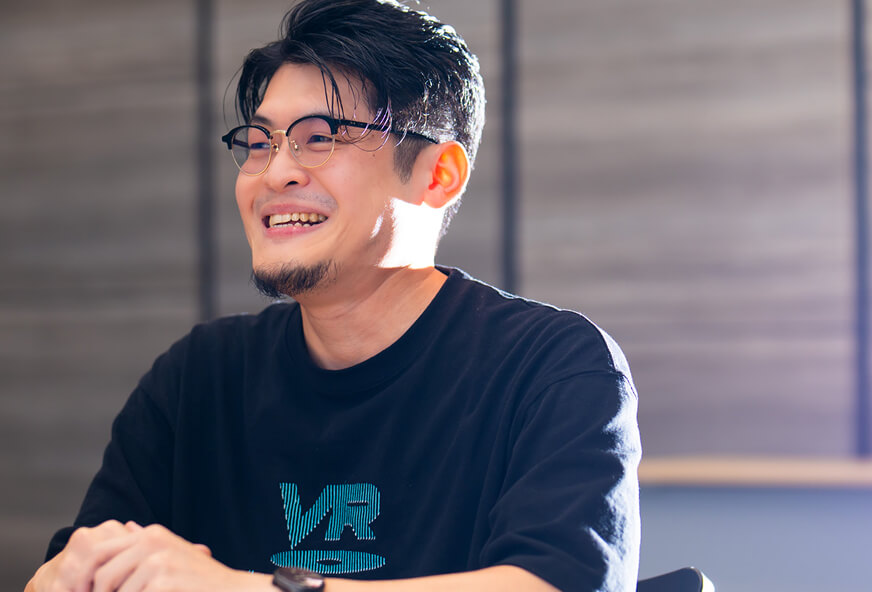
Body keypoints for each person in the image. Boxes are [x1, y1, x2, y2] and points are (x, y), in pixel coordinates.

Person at [26, 0, 641, 590]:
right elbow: (70, 573)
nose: (275, 173)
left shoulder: (553, 367)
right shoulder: (197, 379)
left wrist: (241, 588)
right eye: (260, 142)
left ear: (438, 175)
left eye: (319, 137)